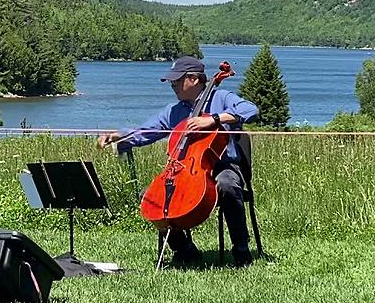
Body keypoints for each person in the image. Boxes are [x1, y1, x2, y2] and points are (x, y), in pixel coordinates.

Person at [98, 55, 259, 268]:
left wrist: (214, 119)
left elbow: (251, 110)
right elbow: (147, 131)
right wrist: (118, 136)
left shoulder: (221, 97)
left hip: (223, 164)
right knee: (151, 197)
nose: (173, 85)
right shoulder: (174, 111)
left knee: (228, 185)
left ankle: (241, 249)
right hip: (186, 169)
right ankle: (183, 249)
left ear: (193, 79)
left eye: (177, 80)